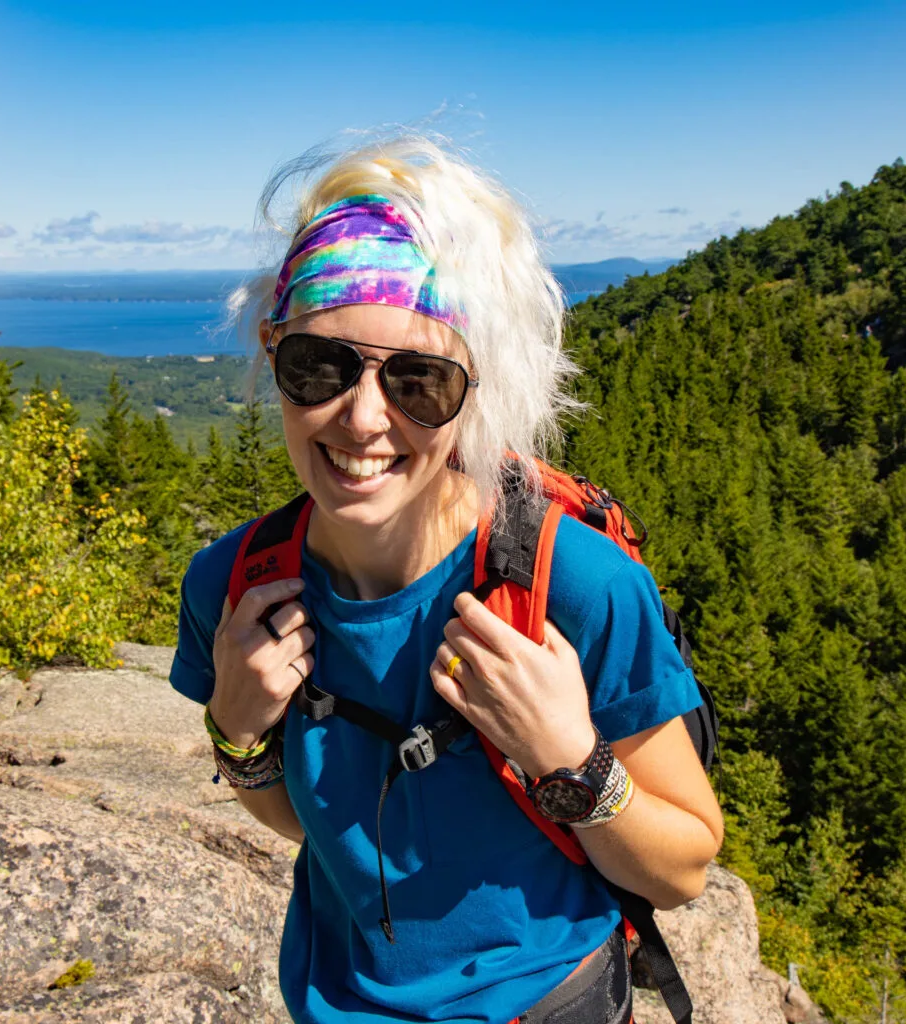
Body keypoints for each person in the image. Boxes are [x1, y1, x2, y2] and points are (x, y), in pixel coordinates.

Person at [170, 133, 724, 1024]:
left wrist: (568, 762)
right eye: (320, 365)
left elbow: (687, 865)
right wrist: (237, 729)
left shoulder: (577, 589)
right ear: (272, 349)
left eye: (419, 381)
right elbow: (302, 826)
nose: (361, 420)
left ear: (476, 389)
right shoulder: (233, 590)